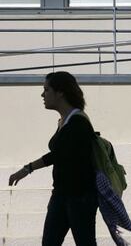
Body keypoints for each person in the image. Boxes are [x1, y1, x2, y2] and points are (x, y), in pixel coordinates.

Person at [8, 71, 98, 246]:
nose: (42, 94)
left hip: (79, 196)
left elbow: (58, 155)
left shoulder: (78, 122)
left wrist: (27, 169)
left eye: (46, 89)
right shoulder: (64, 120)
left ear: (60, 92)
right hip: (62, 193)